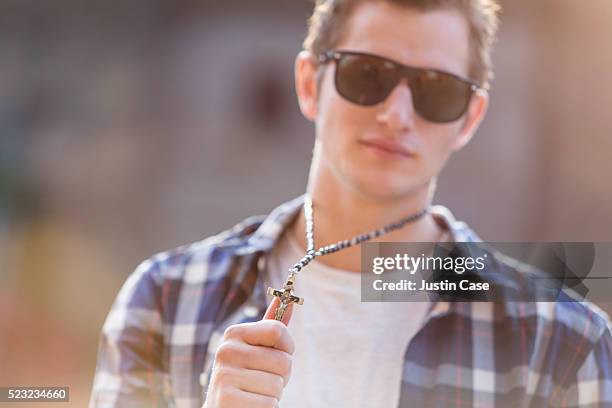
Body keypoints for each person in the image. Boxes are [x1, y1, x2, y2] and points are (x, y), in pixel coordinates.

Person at [90, 0, 612, 407]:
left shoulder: (561, 341)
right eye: (368, 75)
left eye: (437, 91)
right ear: (308, 83)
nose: (397, 114)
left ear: (469, 119)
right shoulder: (164, 301)